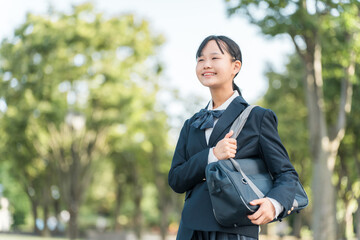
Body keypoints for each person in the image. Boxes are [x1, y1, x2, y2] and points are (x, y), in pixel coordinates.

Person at [168, 35, 299, 240]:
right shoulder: (191, 124)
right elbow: (176, 180)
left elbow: (286, 174)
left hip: (235, 230)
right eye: (200, 60)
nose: (206, 65)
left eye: (214, 58)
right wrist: (212, 155)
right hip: (190, 230)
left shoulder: (257, 117)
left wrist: (273, 204)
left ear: (235, 66)